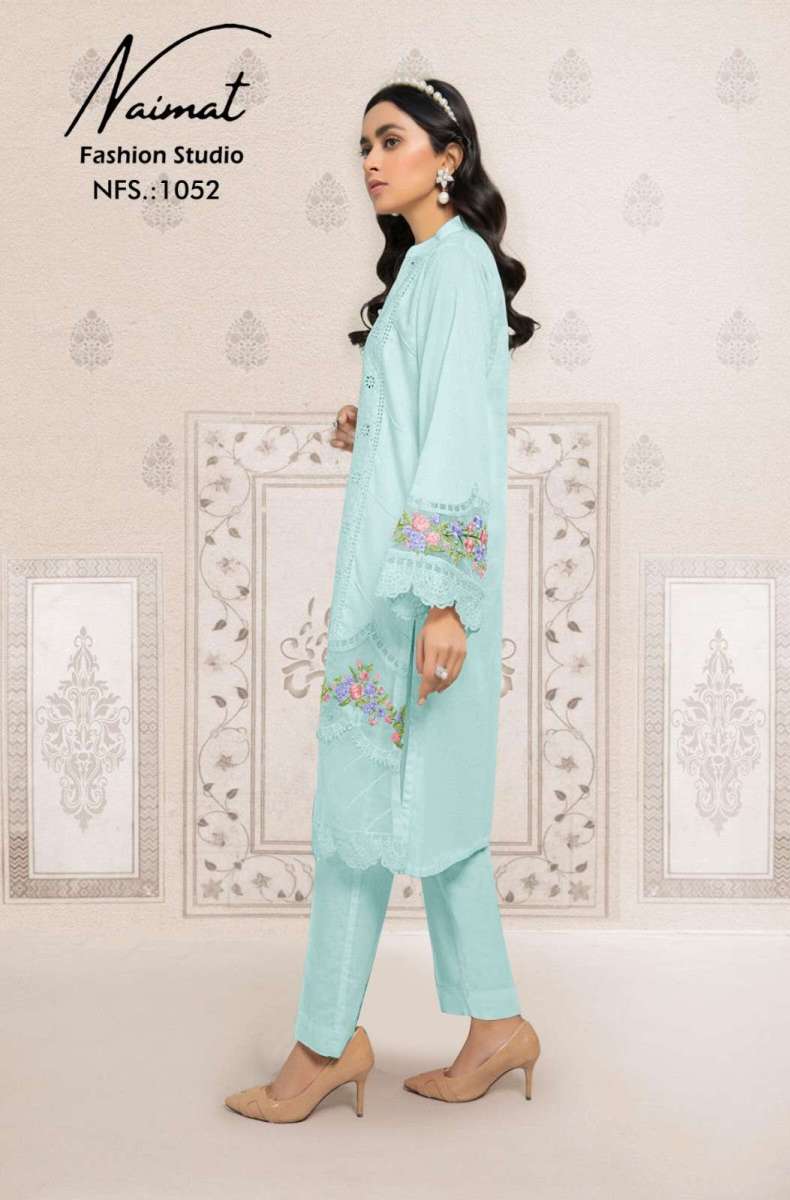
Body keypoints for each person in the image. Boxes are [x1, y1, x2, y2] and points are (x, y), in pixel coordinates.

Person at [225, 76, 541, 1124]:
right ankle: (493, 1026)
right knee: (419, 813)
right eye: (362, 142)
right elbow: (428, 413)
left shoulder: (454, 267)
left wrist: (444, 599)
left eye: (391, 139)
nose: (369, 159)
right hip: (389, 587)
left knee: (362, 817)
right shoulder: (424, 269)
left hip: (420, 596)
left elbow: (460, 435)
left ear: (447, 156)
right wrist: (371, 423)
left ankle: (325, 1043)